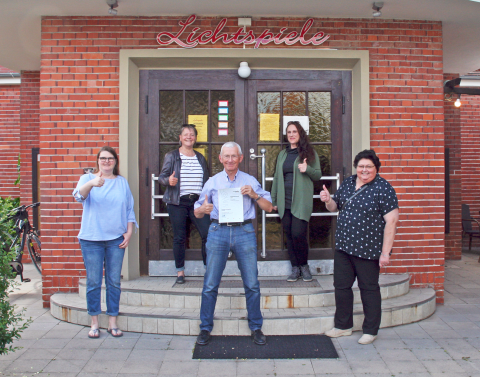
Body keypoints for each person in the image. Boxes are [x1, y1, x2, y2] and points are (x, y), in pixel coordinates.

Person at [194, 141, 273, 346]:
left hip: (244, 231)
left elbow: (269, 207)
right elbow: (197, 210)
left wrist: (254, 195)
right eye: (226, 156)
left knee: (252, 283)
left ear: (240, 158)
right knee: (210, 283)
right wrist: (203, 210)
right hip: (218, 231)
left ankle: (255, 326)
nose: (230, 160)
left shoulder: (249, 180)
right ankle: (205, 327)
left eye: (234, 156)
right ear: (221, 159)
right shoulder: (213, 182)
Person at [320, 149, 399, 345]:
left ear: (376, 168)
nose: (364, 170)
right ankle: (343, 326)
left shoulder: (384, 188)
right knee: (341, 287)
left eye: (369, 167)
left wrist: (385, 253)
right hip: (344, 246)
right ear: (357, 167)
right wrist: (328, 199)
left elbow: (392, 222)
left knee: (368, 289)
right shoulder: (348, 182)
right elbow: (334, 206)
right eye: (361, 166)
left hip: (368, 249)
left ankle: (370, 330)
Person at [73, 146, 138, 339]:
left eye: (110, 158)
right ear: (98, 160)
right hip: (91, 239)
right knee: (93, 282)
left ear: (115, 161)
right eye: (103, 158)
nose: (107, 161)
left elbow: (129, 209)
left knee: (113, 282)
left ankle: (112, 322)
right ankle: (94, 322)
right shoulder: (88, 179)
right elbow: (78, 196)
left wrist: (129, 232)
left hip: (115, 239)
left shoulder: (121, 182)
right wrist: (92, 183)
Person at [158, 124, 210, 284]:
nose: (189, 137)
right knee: (179, 237)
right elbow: (161, 177)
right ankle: (180, 272)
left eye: (192, 134)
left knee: (207, 234)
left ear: (195, 138)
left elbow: (207, 181)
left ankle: (209, 270)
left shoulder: (200, 157)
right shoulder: (171, 156)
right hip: (177, 202)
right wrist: (169, 181)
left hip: (197, 202)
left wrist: (207, 199)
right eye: (186, 134)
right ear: (180, 138)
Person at [271, 121, 322, 282]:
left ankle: (304, 266)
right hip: (283, 200)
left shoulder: (309, 152)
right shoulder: (282, 155)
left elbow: (318, 175)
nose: (291, 134)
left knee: (298, 233)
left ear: (300, 133)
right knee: (290, 236)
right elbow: (277, 177)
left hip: (300, 200)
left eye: (294, 131)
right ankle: (295, 268)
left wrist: (307, 169)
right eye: (289, 132)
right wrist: (273, 199)